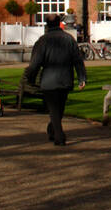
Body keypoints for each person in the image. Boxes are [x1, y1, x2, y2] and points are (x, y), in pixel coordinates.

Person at [25, 14, 86, 146]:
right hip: (65, 78)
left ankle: (58, 135)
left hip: (49, 80)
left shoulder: (43, 41)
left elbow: (35, 63)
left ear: (47, 25)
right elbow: (77, 60)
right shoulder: (69, 39)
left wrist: (30, 78)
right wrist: (81, 78)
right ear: (59, 23)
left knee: (54, 109)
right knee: (59, 108)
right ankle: (54, 129)